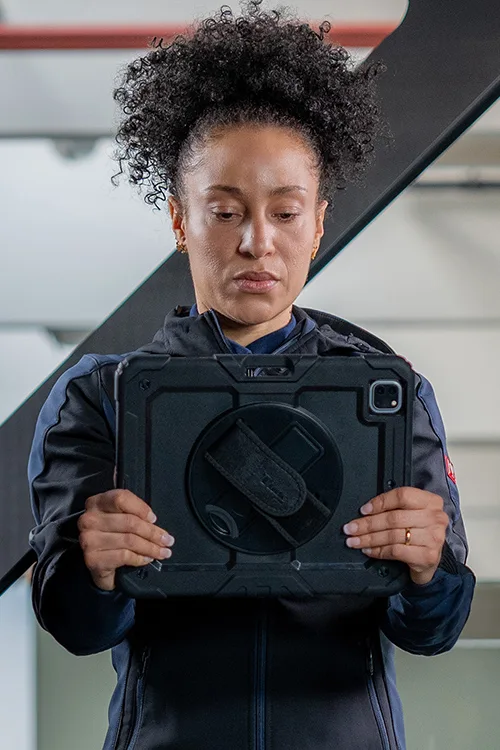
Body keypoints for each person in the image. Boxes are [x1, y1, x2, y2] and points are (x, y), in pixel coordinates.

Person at [27, 3, 475, 749]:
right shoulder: (99, 397)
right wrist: (92, 566)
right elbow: (76, 626)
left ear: (319, 223)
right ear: (179, 219)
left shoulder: (386, 394)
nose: (257, 242)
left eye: (286, 212)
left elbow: (434, 630)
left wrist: (431, 570)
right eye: (226, 211)